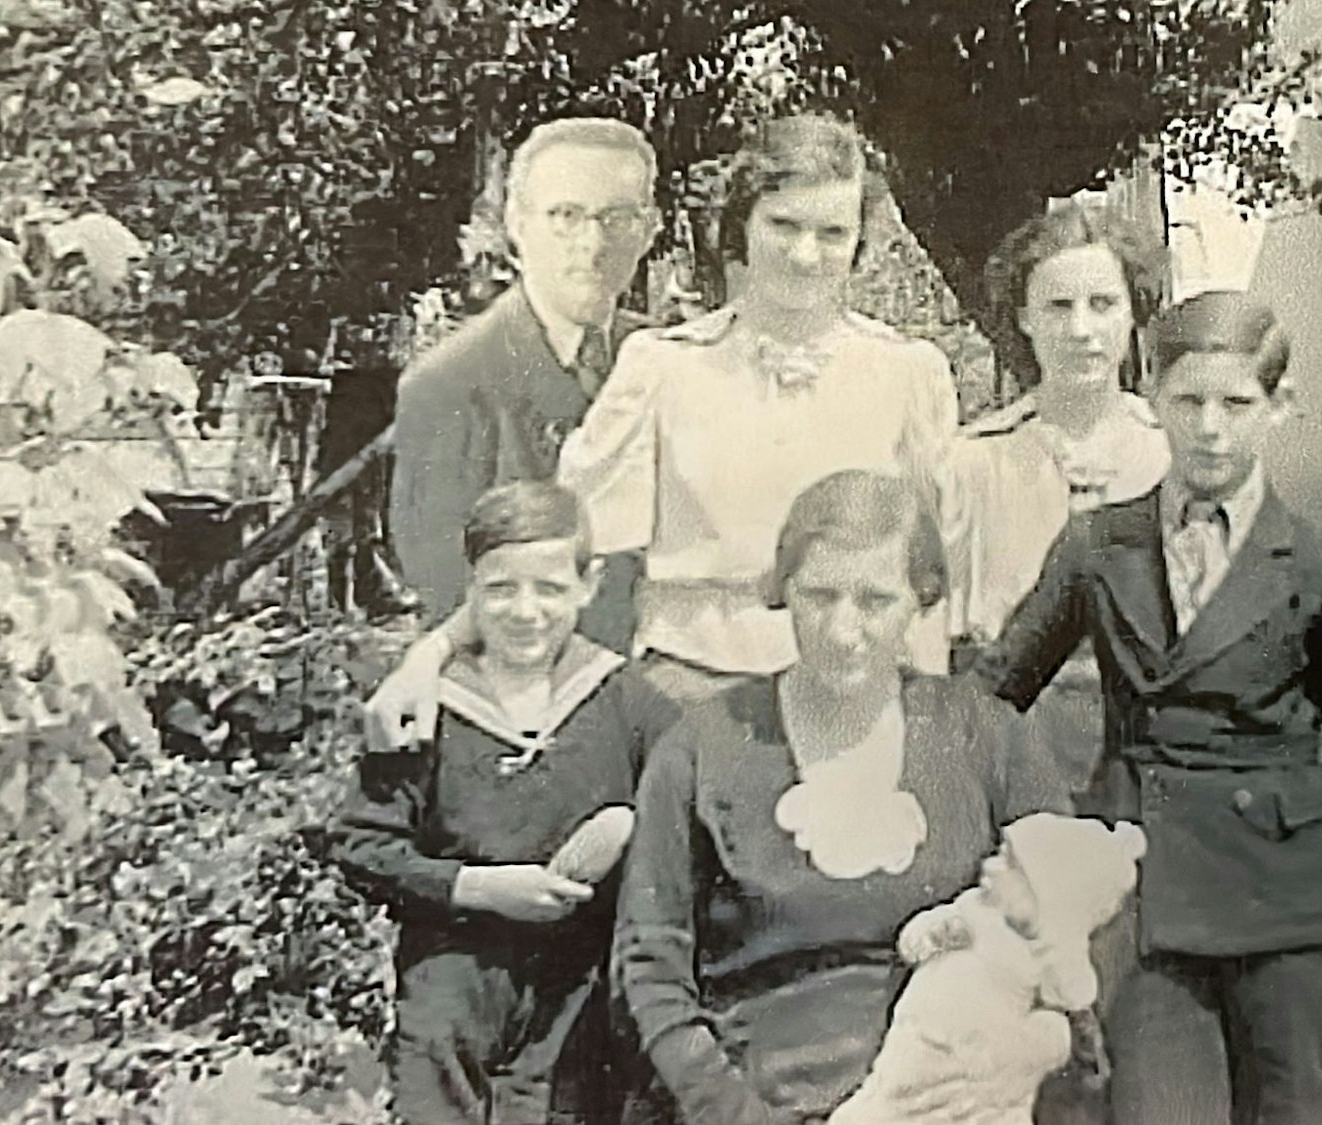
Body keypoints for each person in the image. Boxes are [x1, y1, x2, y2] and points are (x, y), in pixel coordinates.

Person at [368, 113, 962, 749]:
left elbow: (930, 575)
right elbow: (558, 546)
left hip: (854, 701)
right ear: (740, 229)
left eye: (831, 233)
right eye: (782, 225)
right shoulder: (662, 368)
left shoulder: (909, 375)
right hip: (691, 700)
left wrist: (919, 720)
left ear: (859, 246)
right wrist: (433, 654)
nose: (804, 254)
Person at [973, 292, 1322, 1125]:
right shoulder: (1100, 544)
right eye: (1188, 401)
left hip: (1289, 909)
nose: (1211, 427)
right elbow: (994, 695)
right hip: (1144, 895)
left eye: (1237, 403)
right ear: (1153, 396)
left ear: (1278, 409)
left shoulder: (1319, 564)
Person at [613, 470, 1076, 1124]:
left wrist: (1032, 1049)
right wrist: (738, 1115)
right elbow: (648, 969)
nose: (842, 628)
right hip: (761, 1099)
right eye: (819, 595)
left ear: (920, 600)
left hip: (956, 1098)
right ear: (783, 592)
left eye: (874, 599)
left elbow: (1078, 922)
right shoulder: (702, 749)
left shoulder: (986, 736)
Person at [332, 480, 679, 1125]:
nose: (526, 611)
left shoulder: (629, 703)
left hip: (579, 988)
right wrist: (479, 887)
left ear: (589, 585)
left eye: (550, 588)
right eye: (500, 588)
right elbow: (360, 845)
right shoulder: (428, 706)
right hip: (452, 980)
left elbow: (688, 828)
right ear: (470, 587)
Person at [389, 117, 662, 636]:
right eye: (566, 215)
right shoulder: (449, 385)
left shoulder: (664, 361)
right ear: (517, 223)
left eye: (618, 217)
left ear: (650, 229)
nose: (593, 242)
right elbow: (448, 591)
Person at [949, 201, 1173, 794]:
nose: (1081, 330)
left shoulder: (1177, 459)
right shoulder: (973, 463)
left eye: (1102, 305)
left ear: (1134, 313)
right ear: (1023, 317)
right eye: (1058, 306)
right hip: (1013, 759)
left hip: (1154, 759)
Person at [829, 814, 1146, 1125]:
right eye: (999, 854)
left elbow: (1076, 997)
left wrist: (1056, 955)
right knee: (887, 1102)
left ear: (1048, 896)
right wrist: (929, 934)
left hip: (982, 1059)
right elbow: (910, 942)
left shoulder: (1049, 953)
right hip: (921, 1032)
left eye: (1009, 865)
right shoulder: (972, 907)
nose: (990, 866)